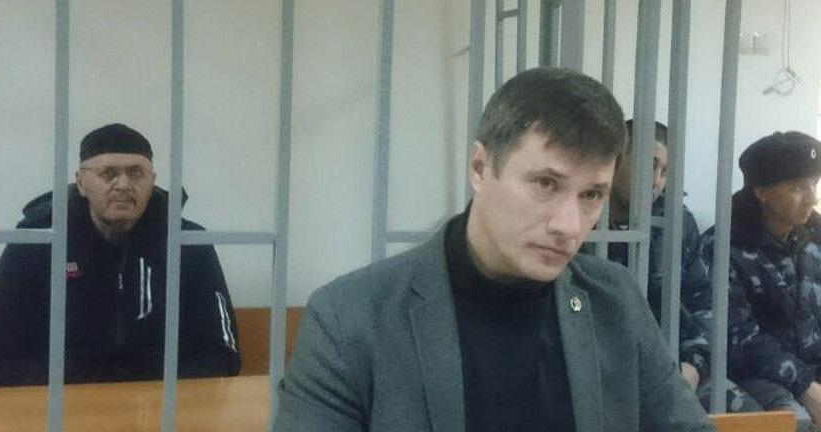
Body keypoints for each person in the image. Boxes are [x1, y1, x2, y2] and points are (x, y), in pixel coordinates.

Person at [273, 68, 713, 431]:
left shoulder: (614, 299)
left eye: (591, 195)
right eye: (546, 184)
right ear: (481, 168)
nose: (569, 225)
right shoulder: (351, 318)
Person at [0, 123, 241, 386]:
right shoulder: (36, 242)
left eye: (136, 173)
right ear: (81, 182)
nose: (123, 185)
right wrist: (89, 389)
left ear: (152, 180)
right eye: (108, 173)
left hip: (161, 398)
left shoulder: (188, 243)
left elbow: (223, 353)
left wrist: (149, 393)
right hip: (61, 398)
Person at [597, 119, 757, 412]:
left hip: (673, 365)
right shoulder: (583, 221)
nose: (656, 180)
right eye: (649, 165)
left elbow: (703, 304)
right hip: (602, 369)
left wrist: (693, 365)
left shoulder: (675, 223)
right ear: (615, 160)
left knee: (747, 416)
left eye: (665, 171)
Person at [701, 131, 821, 430]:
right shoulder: (723, 246)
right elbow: (737, 336)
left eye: (814, 184)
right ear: (762, 192)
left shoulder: (814, 236)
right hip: (756, 375)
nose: (812, 197)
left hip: (810, 369)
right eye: (798, 187)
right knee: (795, 424)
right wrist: (805, 385)